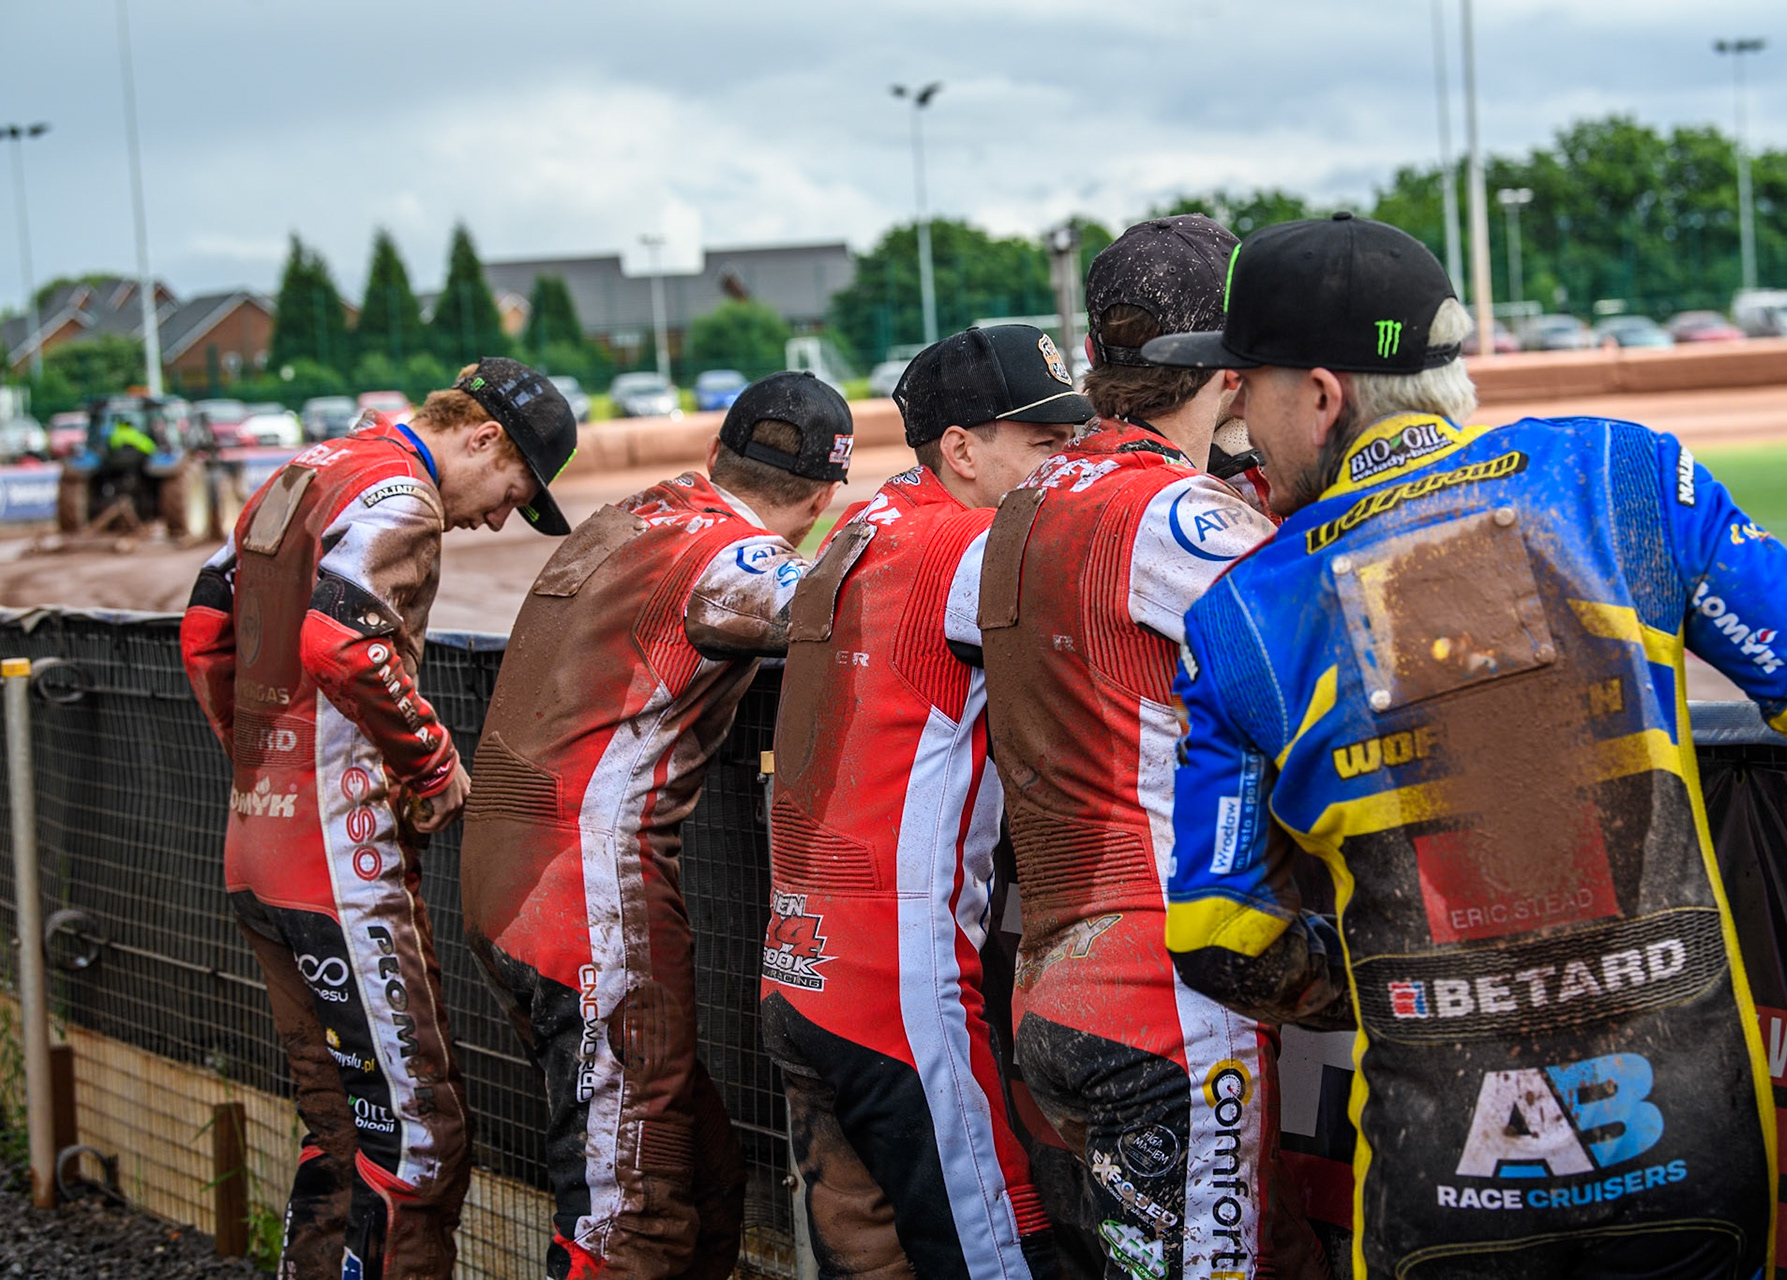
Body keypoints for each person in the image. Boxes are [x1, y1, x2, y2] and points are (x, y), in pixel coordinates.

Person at [1147, 213, 1787, 1277]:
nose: (1236, 423)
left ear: (1322, 395)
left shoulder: (1240, 618)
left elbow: (1223, 936)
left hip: (1443, 1182)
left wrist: (1382, 982)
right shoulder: (1621, 472)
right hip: (1692, 1146)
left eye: (1246, 384)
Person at [968, 217, 1328, 1279]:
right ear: (1224, 367)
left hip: (1058, 988)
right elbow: (1328, 664)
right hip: (1170, 995)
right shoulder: (1174, 513)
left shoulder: (1031, 496)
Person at [180, 358, 577, 1280]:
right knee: (419, 1144)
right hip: (338, 863)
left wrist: (258, 760)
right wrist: (433, 763)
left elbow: (205, 628)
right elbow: (342, 639)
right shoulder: (406, 497)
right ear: (482, 437)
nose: (496, 516)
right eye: (513, 488)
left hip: (255, 842)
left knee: (340, 1126)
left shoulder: (309, 467)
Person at [461, 371, 848, 1280]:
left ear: (715, 453)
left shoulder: (627, 516)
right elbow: (854, 613)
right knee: (630, 1207)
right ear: (828, 499)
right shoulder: (734, 559)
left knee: (697, 1168)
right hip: (585, 896)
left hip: (500, 877)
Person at [759, 325, 1085, 1279]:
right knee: (992, 1255)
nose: (1063, 468)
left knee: (870, 1262)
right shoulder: (972, 547)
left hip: (799, 964)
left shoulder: (864, 526)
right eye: (1044, 445)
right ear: (961, 448)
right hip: (895, 984)